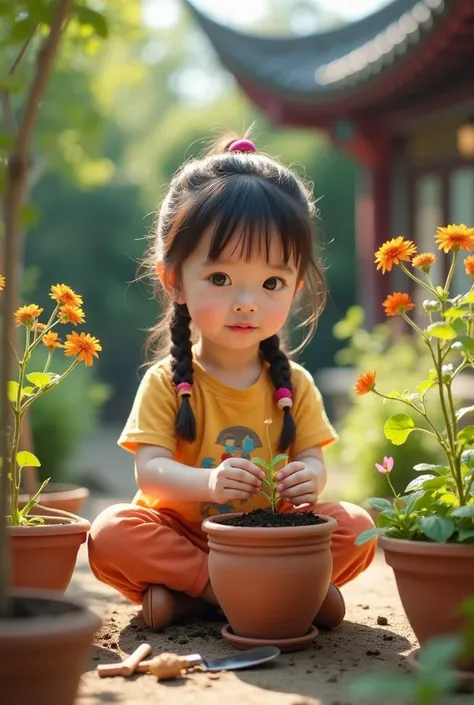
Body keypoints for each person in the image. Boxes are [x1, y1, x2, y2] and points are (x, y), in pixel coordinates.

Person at [88, 134, 376, 631]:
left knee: (357, 527)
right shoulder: (166, 382)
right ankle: (236, 592)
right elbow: (150, 472)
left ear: (296, 287)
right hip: (186, 538)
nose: (247, 301)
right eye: (220, 278)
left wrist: (309, 477)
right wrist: (208, 482)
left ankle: (196, 602)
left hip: (271, 537)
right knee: (111, 532)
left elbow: (313, 460)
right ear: (174, 278)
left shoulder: (296, 384)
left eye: (271, 283)